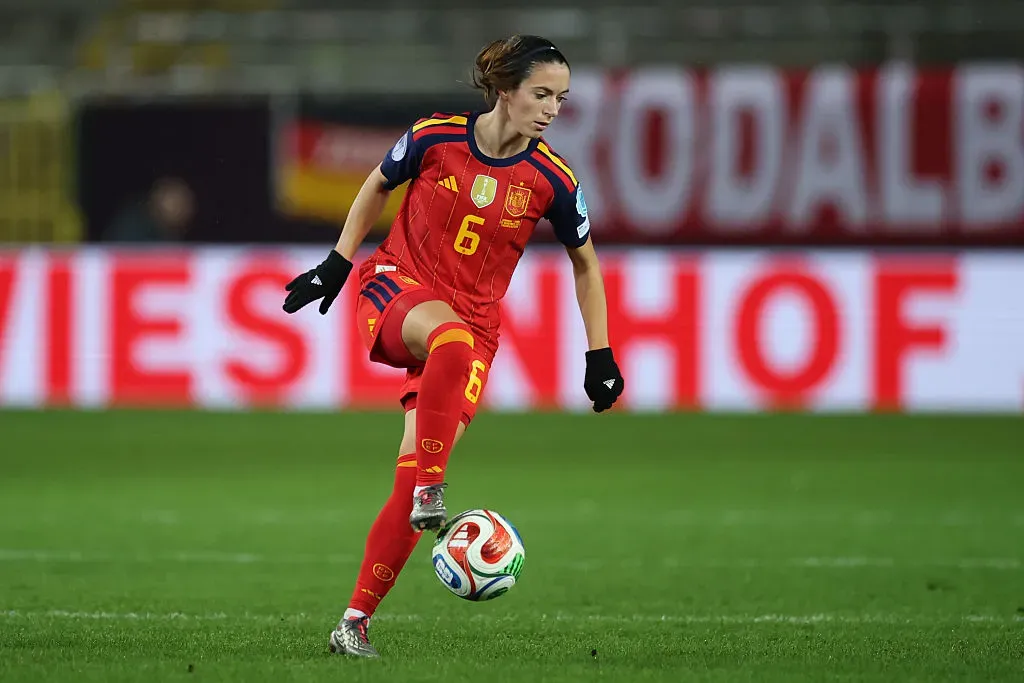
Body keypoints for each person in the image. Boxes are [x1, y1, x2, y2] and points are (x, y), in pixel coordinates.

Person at [281, 34, 625, 658]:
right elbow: (376, 185)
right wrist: (336, 262)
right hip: (396, 289)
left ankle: (353, 623)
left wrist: (598, 353)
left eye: (561, 99)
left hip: (473, 337)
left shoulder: (553, 178)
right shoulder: (433, 136)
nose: (551, 109)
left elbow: (587, 266)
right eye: (541, 93)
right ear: (505, 89)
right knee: (450, 344)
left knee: (410, 471)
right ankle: (433, 490)